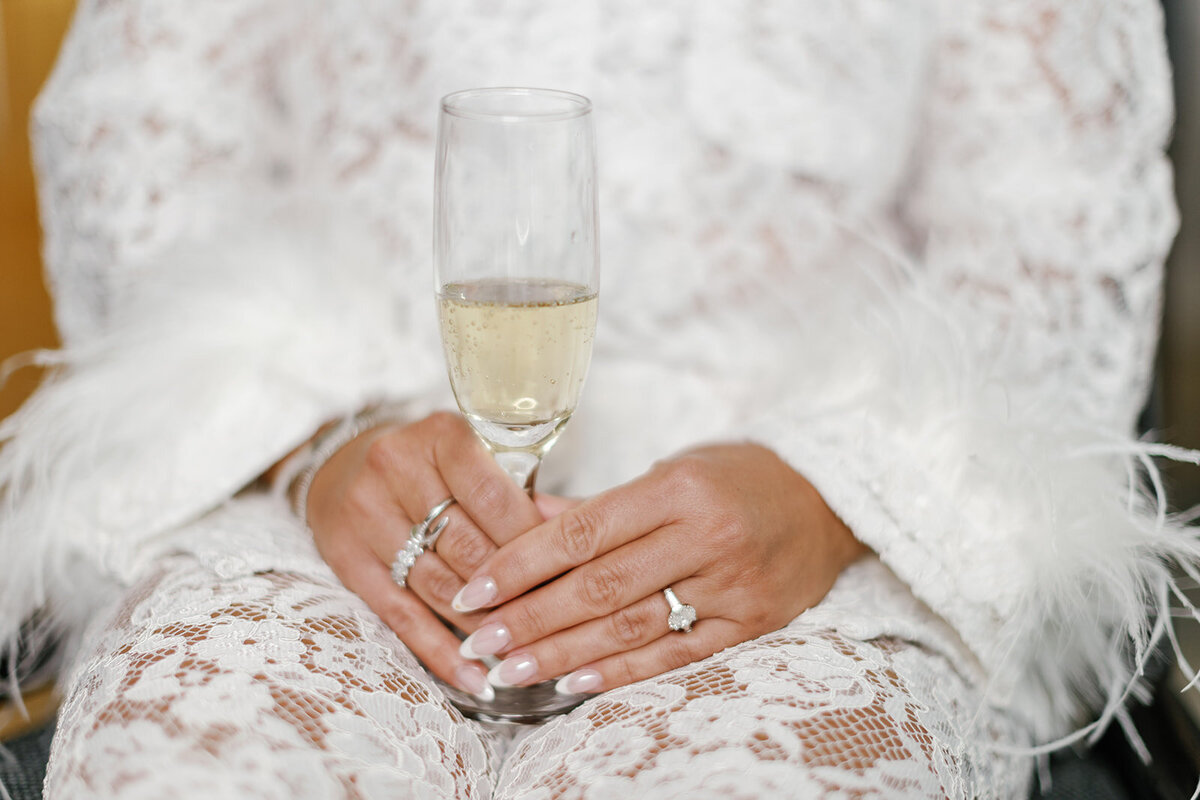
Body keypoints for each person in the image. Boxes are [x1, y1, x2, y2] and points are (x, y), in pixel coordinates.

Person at [1, 0, 1195, 797]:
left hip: (809, 534)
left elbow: (1050, 247)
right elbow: (144, 153)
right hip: (336, 488)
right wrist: (311, 441)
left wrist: (833, 492)